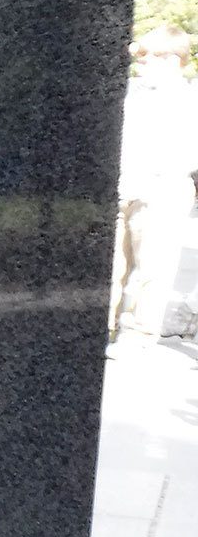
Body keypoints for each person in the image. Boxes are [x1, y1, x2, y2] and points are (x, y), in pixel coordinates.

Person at [109, 24, 198, 343]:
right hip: (120, 188)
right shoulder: (128, 91)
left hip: (165, 191)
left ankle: (141, 336)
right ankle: (105, 332)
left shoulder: (191, 99)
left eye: (148, 57)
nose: (141, 63)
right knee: (109, 270)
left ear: (173, 60)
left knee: (154, 271)